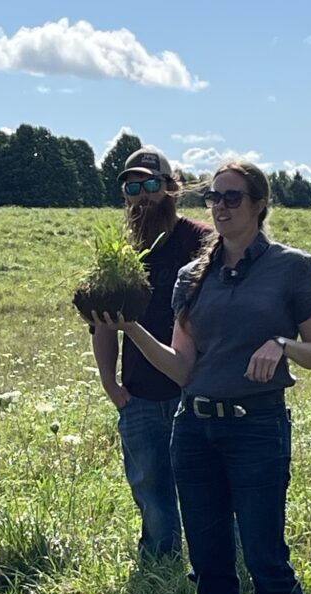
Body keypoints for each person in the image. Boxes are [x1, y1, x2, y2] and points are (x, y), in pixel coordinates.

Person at [93, 161, 311, 594]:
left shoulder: (292, 267)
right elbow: (183, 369)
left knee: (264, 554)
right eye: (214, 198)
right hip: (195, 428)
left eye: (233, 197)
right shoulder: (191, 276)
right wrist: (131, 327)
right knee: (208, 557)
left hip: (257, 428)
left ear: (259, 204)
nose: (221, 207)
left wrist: (283, 345)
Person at [90, 146, 211, 559]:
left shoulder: (202, 242)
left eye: (151, 185)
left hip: (194, 391)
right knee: (149, 488)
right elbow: (103, 322)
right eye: (133, 188)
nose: (143, 197)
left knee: (205, 486)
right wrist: (111, 385)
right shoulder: (119, 254)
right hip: (139, 393)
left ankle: (217, 566)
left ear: (172, 187)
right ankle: (160, 564)